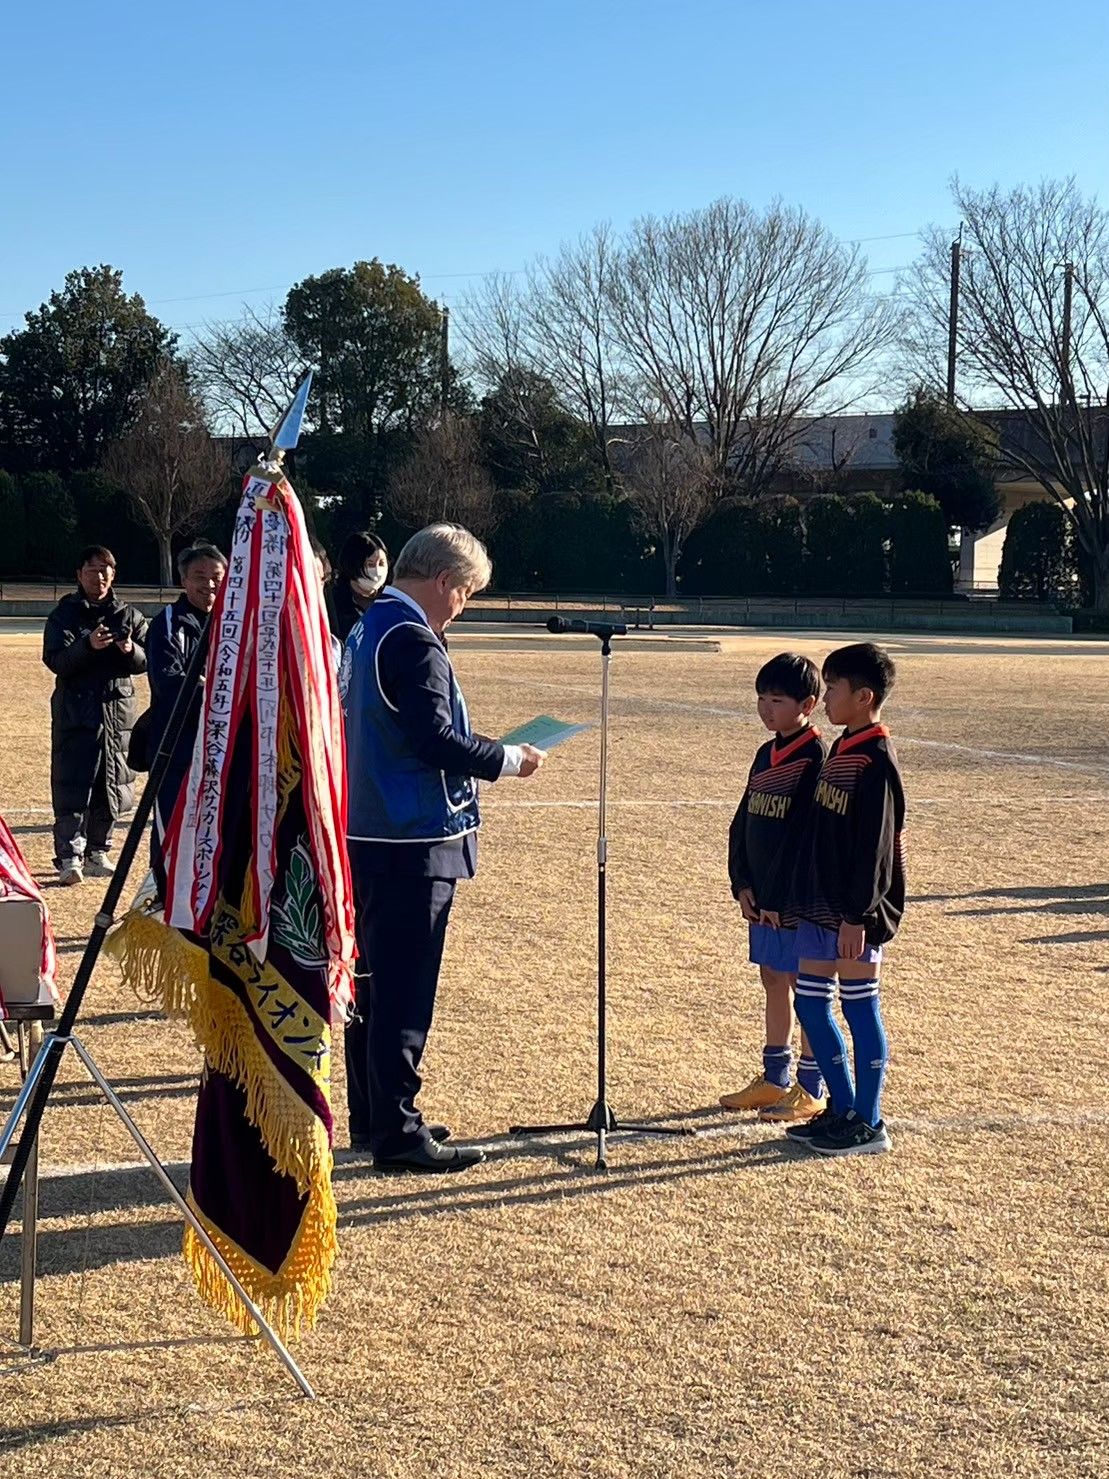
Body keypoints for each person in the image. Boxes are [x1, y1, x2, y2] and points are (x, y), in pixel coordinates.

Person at [340, 522, 545, 1173]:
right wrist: (508, 758)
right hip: (412, 836)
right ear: (443, 582)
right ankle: (397, 1131)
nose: (462, 606)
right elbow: (433, 738)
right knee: (402, 991)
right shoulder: (413, 639)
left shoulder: (364, 628)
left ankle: (375, 1115)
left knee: (374, 988)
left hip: (368, 831)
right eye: (465, 593)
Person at [786, 642, 906, 1158]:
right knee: (810, 1002)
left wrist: (858, 915)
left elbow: (876, 848)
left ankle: (869, 1121)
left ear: (864, 696)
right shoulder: (844, 747)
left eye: (833, 688)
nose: (825, 695)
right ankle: (842, 1107)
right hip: (820, 904)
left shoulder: (876, 756)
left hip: (855, 911)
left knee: (860, 1008)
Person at [721, 654, 828, 1123]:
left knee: (807, 989)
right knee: (772, 980)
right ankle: (774, 1077)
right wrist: (742, 883)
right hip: (760, 899)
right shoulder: (766, 753)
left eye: (777, 700)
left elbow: (809, 840)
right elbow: (743, 822)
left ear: (808, 704)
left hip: (792, 903)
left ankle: (811, 1084)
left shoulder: (816, 758)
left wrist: (784, 900)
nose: (766, 709)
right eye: (761, 699)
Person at [43, 545, 149, 885]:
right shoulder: (64, 615)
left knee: (112, 784)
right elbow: (56, 660)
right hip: (76, 712)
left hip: (117, 713)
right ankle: (69, 856)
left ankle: (98, 850)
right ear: (79, 575)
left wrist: (130, 650)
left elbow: (148, 661)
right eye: (92, 570)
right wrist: (87, 645)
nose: (99, 576)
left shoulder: (129, 615)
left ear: (114, 575)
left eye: (105, 570)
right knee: (72, 784)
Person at [146, 543, 227, 857]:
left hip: (220, 747)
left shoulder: (232, 624)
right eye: (199, 576)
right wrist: (216, 691)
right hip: (177, 747)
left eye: (216, 577)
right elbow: (169, 680)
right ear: (183, 581)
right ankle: (163, 899)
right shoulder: (169, 622)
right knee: (173, 832)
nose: (208, 584)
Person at [333, 529, 389, 638]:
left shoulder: (392, 601)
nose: (377, 571)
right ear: (352, 565)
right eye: (370, 564)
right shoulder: (334, 604)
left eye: (381, 563)